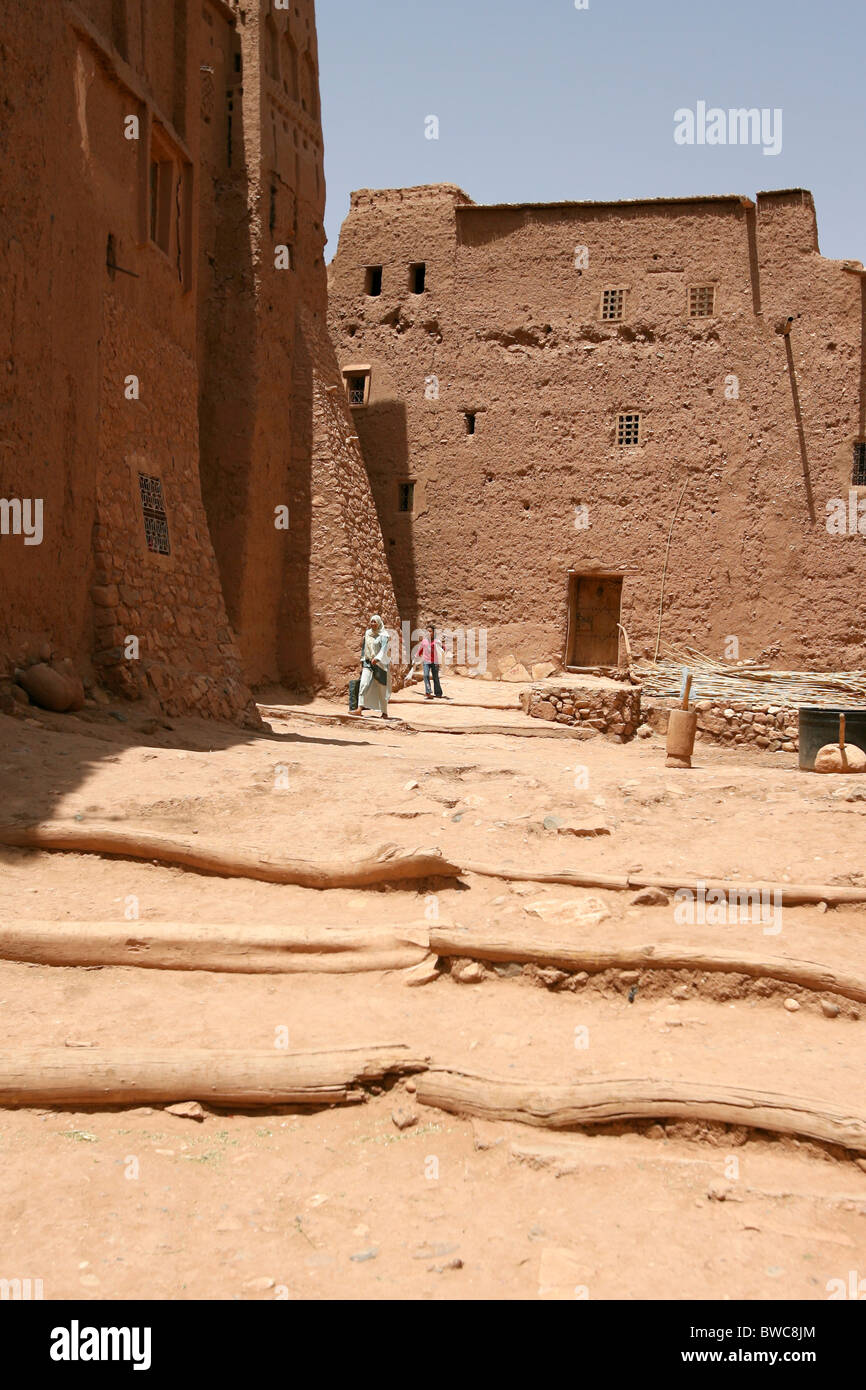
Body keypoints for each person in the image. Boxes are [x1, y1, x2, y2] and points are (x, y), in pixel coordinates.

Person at [356, 614, 391, 718]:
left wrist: (377, 658)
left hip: (380, 664)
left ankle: (384, 712)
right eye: (371, 621)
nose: (372, 624)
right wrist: (363, 660)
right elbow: (364, 647)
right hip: (368, 662)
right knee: (363, 684)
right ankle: (359, 708)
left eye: (374, 622)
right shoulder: (367, 633)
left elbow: (384, 649)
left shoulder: (384, 635)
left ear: (379, 623)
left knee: (382, 688)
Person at [418, 623, 443, 699]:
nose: (428, 633)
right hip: (426, 661)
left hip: (435, 662)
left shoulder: (436, 641)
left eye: (430, 631)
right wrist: (417, 656)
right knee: (425, 675)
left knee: (435, 677)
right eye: (427, 631)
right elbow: (420, 649)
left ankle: (438, 693)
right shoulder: (424, 641)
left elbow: (442, 649)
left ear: (433, 633)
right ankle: (428, 692)